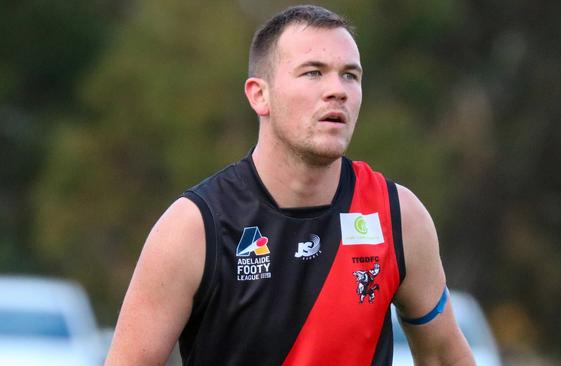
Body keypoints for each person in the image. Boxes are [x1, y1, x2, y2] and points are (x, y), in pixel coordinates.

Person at [105, 5, 475, 366]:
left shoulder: (398, 217)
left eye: (350, 75)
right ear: (258, 95)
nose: (338, 90)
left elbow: (444, 356)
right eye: (313, 73)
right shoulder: (195, 228)